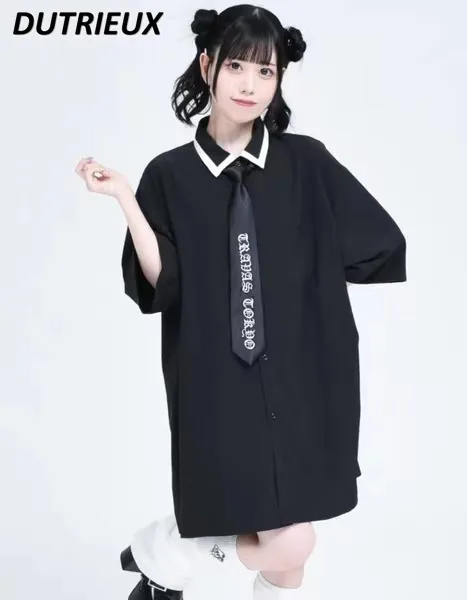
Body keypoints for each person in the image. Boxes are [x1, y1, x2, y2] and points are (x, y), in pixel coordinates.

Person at [75, 4, 407, 599]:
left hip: (301, 384)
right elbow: (161, 282)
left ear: (279, 81)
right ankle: (166, 551)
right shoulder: (170, 175)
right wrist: (125, 197)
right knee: (292, 541)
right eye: (236, 66)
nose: (250, 84)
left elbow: (379, 244)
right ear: (208, 67)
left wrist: (306, 269)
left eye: (266, 71)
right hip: (217, 389)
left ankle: (165, 560)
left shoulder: (306, 162)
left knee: (288, 562)